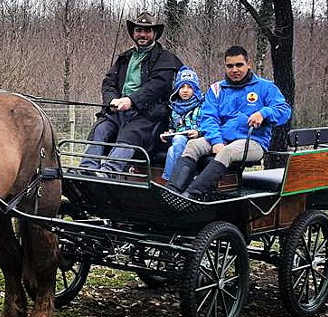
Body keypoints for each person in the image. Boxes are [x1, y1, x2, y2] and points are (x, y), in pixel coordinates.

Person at [167, 45, 292, 200]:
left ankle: (192, 195)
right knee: (193, 145)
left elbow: (284, 110)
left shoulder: (265, 87)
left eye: (239, 65)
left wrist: (263, 113)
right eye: (230, 66)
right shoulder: (217, 89)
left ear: (248, 64)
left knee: (227, 152)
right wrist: (216, 141)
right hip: (222, 138)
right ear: (225, 67)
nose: (234, 70)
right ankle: (172, 192)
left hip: (253, 142)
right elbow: (208, 118)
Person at [79, 11, 182, 174]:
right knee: (101, 128)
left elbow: (156, 87)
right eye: (139, 30)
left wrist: (131, 101)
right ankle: (87, 169)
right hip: (119, 112)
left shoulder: (165, 59)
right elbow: (108, 83)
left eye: (147, 31)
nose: (142, 34)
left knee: (131, 132)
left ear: (154, 33)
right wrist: (112, 101)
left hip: (149, 116)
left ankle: (110, 171)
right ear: (133, 33)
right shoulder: (125, 57)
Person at [159, 65, 203, 182]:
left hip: (197, 138)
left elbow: (208, 124)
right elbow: (173, 127)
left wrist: (198, 132)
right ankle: (172, 181)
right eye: (182, 87)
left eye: (189, 87)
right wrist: (168, 134)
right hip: (179, 139)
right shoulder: (173, 108)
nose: (185, 90)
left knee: (173, 149)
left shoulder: (202, 105)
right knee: (175, 144)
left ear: (195, 89)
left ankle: (175, 180)